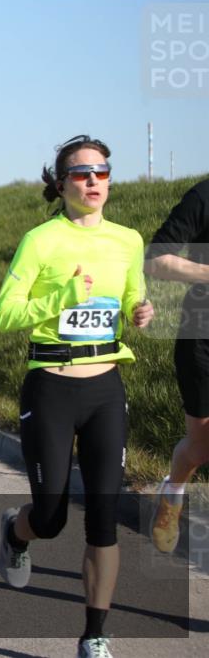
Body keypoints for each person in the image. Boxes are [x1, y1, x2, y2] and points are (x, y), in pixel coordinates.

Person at [0, 135, 154, 658]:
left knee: (104, 519)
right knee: (51, 518)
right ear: (61, 184)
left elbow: (132, 294)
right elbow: (5, 315)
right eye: (82, 173)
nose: (93, 181)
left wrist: (140, 309)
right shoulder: (41, 241)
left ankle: (94, 635)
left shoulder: (128, 239)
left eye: (102, 171)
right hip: (52, 386)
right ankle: (17, 534)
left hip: (106, 386)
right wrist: (61, 298)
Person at [145, 179, 209, 553]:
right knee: (200, 449)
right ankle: (173, 491)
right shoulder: (203, 197)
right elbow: (156, 259)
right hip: (203, 336)